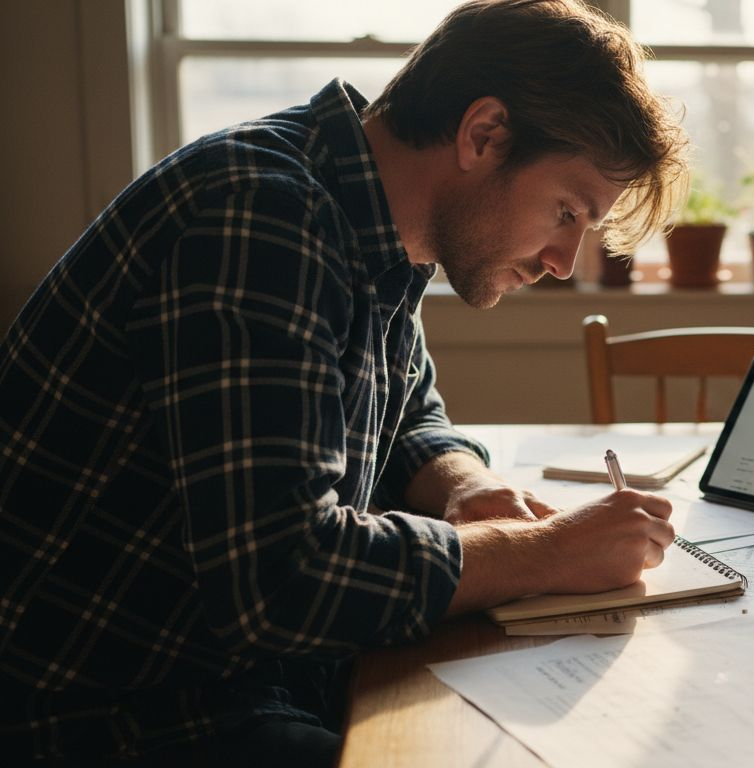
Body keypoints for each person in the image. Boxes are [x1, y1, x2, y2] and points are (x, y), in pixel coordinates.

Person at [0, 0, 690, 765]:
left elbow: (406, 412)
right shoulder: (260, 216)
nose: (563, 260)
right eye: (567, 210)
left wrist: (461, 483)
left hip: (240, 676)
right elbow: (283, 577)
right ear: (484, 134)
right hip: (108, 712)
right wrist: (544, 552)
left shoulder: (378, 223)